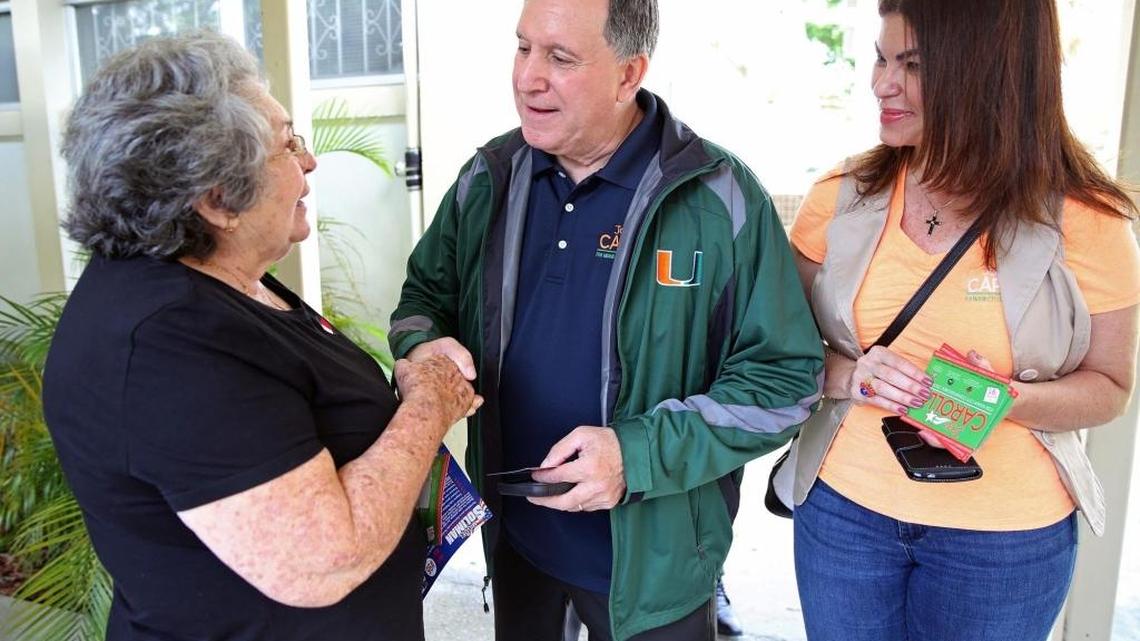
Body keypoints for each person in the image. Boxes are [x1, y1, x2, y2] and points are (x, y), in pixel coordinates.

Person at [389, 0, 824, 639]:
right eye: (523, 48)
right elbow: (422, 298)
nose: (527, 77)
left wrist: (635, 454)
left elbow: (787, 381)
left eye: (559, 58)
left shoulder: (718, 198)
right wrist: (424, 346)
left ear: (629, 74)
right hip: (517, 542)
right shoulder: (490, 176)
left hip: (657, 566)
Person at [41, 32, 477, 641]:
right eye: (287, 144)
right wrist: (428, 406)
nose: (309, 160)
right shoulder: (167, 345)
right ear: (218, 199)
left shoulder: (222, 281)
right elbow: (327, 558)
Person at [787, 1, 1140, 640]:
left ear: (987, 74)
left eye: (912, 64)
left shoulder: (1089, 221)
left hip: (1004, 545)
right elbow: (775, 351)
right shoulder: (839, 196)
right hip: (845, 517)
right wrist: (849, 376)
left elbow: (1110, 388)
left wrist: (1006, 401)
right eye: (880, 57)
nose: (881, 83)